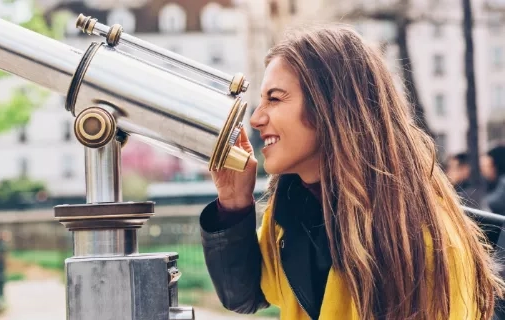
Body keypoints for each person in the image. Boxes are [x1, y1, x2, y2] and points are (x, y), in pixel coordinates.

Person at [199, 25, 504, 320]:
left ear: (330, 106)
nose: (256, 118)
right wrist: (233, 201)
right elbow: (246, 295)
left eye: (274, 98)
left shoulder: (422, 240)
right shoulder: (292, 211)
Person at [481, 145, 505, 216]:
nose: (483, 170)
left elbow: (491, 202)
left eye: (486, 166)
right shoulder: (490, 183)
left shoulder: (503, 182)